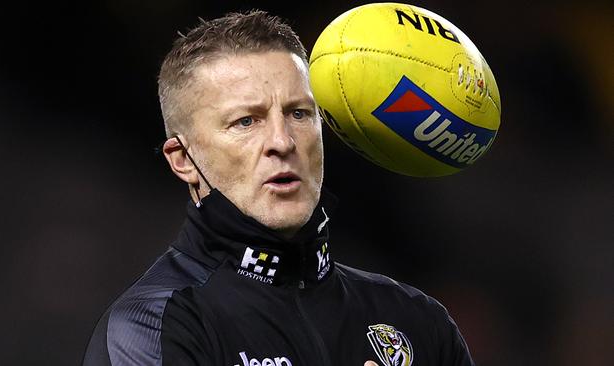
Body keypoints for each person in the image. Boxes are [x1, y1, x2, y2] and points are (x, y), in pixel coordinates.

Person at [83, 10, 474, 366]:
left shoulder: (416, 319)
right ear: (183, 159)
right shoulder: (155, 327)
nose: (283, 141)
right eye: (245, 122)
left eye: (299, 113)